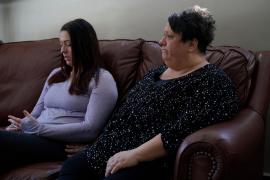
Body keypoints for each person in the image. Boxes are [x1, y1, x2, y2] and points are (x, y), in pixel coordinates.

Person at [58, 5, 239, 180]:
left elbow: (179, 131)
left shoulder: (212, 81)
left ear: (191, 44)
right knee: (71, 168)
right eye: (163, 34)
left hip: (147, 160)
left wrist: (135, 155)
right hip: (109, 149)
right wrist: (97, 145)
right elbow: (123, 113)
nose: (161, 41)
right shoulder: (156, 73)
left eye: (169, 36)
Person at [0, 18, 118, 173]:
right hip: (36, 136)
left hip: (61, 143)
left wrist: (38, 128)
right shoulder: (55, 74)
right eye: (61, 44)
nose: (63, 50)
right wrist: (20, 125)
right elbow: (34, 114)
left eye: (68, 44)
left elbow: (91, 129)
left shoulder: (101, 79)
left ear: (84, 45)